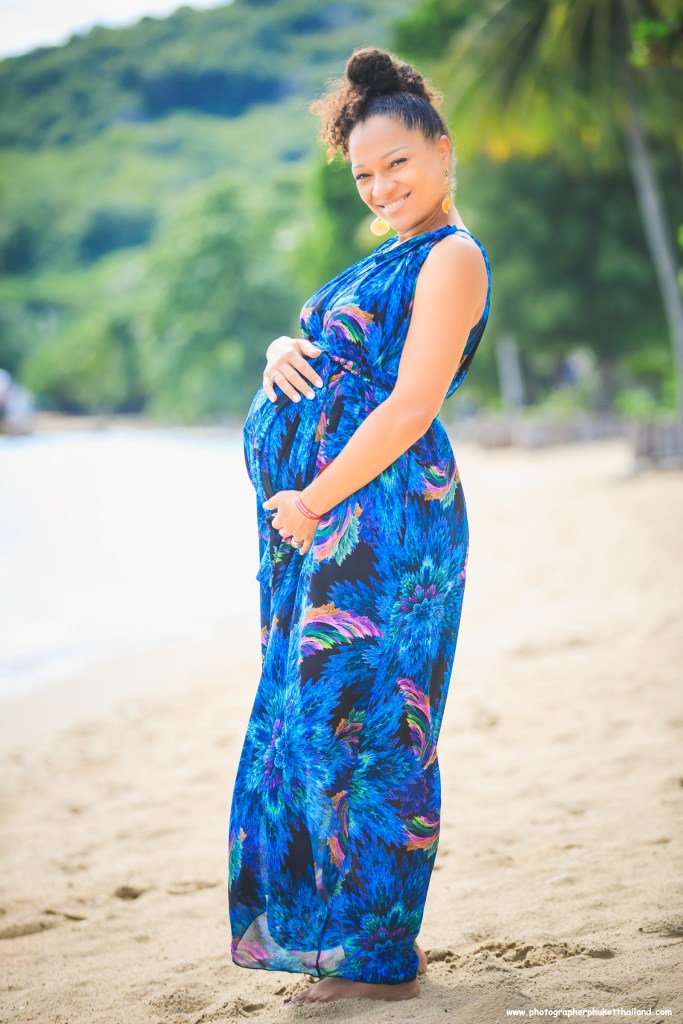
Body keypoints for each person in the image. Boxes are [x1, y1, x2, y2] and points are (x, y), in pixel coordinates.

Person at [228, 45, 492, 1006]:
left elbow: (410, 404)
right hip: (326, 523)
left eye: (398, 165)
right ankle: (327, 941)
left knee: (376, 727)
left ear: (442, 152)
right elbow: (334, 354)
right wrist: (277, 348)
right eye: (365, 173)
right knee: (312, 720)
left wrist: (311, 497)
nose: (382, 185)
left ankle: (376, 952)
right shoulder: (384, 258)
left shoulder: (452, 257)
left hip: (378, 520)